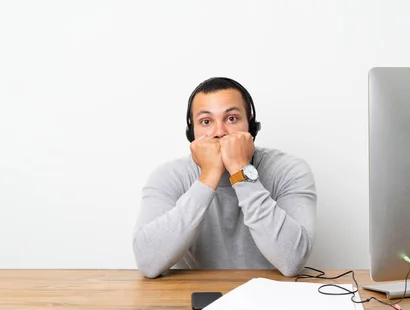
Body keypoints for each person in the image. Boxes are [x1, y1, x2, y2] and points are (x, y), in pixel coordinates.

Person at [132, 77, 317, 278]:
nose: (219, 132)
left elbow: (292, 261)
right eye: (206, 122)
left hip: (271, 297)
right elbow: (148, 262)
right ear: (191, 131)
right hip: (194, 297)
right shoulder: (169, 176)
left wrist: (241, 171)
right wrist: (209, 176)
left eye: (231, 119)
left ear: (251, 125)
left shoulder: (289, 170)